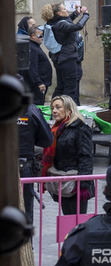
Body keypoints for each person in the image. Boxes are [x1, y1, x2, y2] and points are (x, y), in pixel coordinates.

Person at [42, 95, 94, 215]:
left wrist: (83, 184)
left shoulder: (80, 128)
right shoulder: (57, 129)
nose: (54, 110)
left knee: (76, 223)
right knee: (67, 219)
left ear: (69, 110)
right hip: (62, 182)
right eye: (52, 107)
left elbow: (86, 157)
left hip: (76, 184)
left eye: (58, 107)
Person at [17, 95, 54, 226]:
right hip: (23, 167)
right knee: (25, 211)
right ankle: (25, 245)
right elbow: (47, 139)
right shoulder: (31, 110)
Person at [50, 2, 90, 103]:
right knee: (70, 89)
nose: (67, 10)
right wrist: (86, 15)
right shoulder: (61, 24)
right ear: (59, 13)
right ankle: (68, 113)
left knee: (61, 87)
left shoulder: (56, 22)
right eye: (64, 9)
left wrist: (76, 14)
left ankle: (55, 110)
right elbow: (78, 26)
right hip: (67, 59)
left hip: (61, 58)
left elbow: (68, 22)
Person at [23, 24, 53, 105]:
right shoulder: (32, 48)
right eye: (40, 36)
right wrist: (39, 83)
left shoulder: (35, 46)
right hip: (38, 85)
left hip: (41, 83)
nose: (42, 38)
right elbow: (32, 67)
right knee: (37, 105)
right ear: (33, 36)